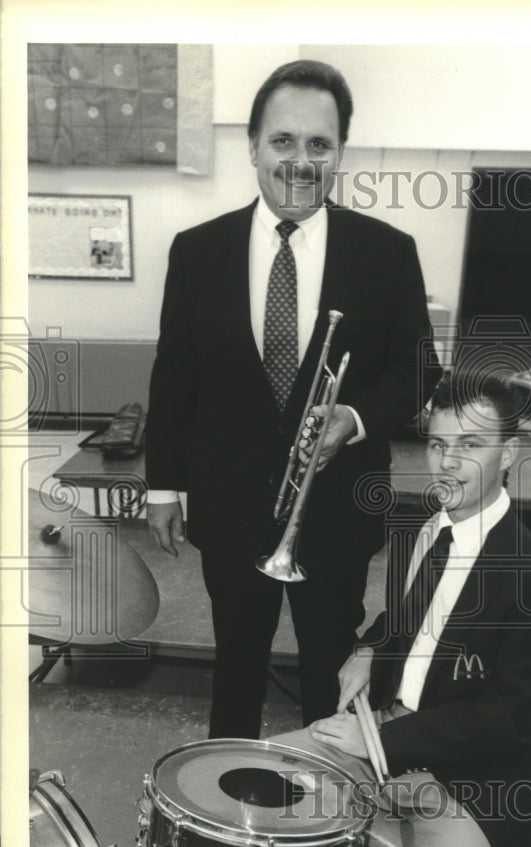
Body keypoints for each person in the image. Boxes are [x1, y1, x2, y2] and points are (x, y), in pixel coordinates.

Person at [144, 60, 438, 734]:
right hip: (230, 506)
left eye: (319, 144)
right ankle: (227, 815)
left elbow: (420, 368)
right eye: (283, 141)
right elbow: (175, 377)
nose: (300, 162)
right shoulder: (197, 251)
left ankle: (326, 808)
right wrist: (163, 486)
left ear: (339, 153)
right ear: (252, 146)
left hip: (338, 510)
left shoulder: (387, 252)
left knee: (329, 673)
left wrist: (357, 418)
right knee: (236, 668)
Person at [272, 369, 531, 847]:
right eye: (439, 444)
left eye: (471, 445)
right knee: (249, 786)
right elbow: (405, 618)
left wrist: (380, 742)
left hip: (468, 780)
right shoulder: (428, 528)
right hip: (384, 729)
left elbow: (510, 717)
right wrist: (367, 648)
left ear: (509, 453)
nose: (447, 462)